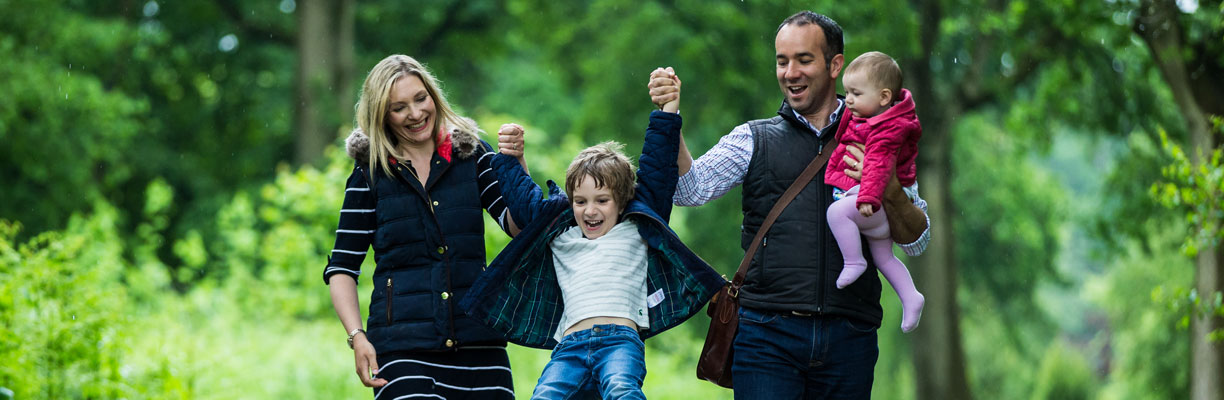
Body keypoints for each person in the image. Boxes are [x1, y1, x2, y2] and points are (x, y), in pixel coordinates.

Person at [647, 11, 931, 398]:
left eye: (804, 59)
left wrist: (889, 187)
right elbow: (690, 190)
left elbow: (916, 240)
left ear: (835, 65)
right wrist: (671, 117)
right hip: (766, 337)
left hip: (850, 339)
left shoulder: (881, 134)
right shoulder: (753, 138)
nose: (790, 72)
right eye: (782, 61)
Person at [459, 82, 725, 399]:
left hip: (620, 341)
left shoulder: (634, 225)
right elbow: (524, 202)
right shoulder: (561, 233)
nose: (590, 210)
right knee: (544, 395)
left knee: (621, 388)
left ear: (623, 200)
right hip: (569, 347)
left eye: (602, 200)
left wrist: (666, 111)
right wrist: (509, 155)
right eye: (581, 201)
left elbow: (658, 166)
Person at [323, 54, 528, 399]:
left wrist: (516, 163)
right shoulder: (369, 173)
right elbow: (342, 267)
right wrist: (357, 337)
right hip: (402, 347)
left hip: (480, 342)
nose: (416, 114)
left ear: (433, 95)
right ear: (381, 115)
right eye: (399, 107)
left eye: (421, 99)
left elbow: (518, 227)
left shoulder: (472, 154)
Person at [824, 51, 925, 333]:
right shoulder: (872, 118)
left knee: (836, 213)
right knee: (884, 258)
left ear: (883, 97)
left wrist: (867, 198)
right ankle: (911, 296)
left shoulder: (886, 129)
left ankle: (854, 260)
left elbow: (878, 166)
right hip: (874, 213)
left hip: (873, 206)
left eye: (856, 93)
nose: (849, 100)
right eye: (847, 93)